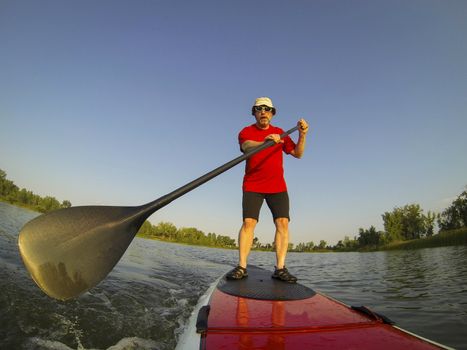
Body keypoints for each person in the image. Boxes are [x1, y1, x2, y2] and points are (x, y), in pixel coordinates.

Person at [226, 97, 309, 283]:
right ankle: (241, 267)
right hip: (253, 185)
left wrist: (302, 135)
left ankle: (280, 269)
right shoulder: (246, 131)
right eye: (259, 109)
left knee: (283, 223)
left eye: (267, 109)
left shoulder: (281, 133)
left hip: (277, 186)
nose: (263, 112)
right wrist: (265, 141)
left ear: (272, 113)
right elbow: (246, 147)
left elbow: (298, 154)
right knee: (249, 223)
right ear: (254, 112)